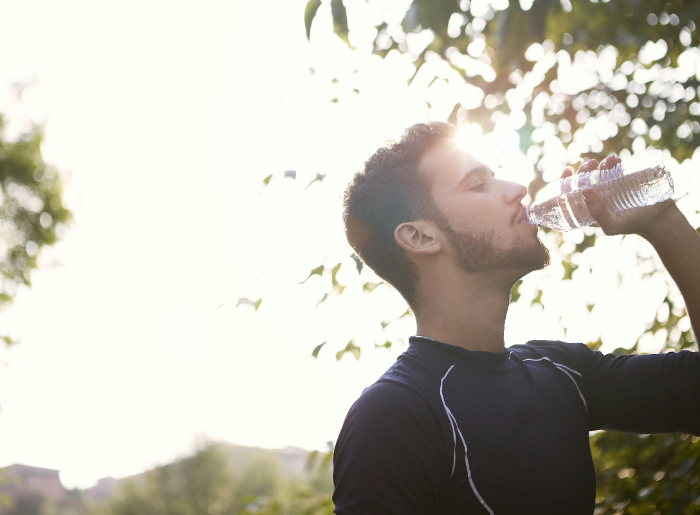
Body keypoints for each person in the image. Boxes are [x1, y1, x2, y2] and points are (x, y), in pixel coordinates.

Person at [332, 121, 700, 515]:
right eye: (478, 184)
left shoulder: (562, 371)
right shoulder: (394, 416)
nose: (518, 189)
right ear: (421, 237)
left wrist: (663, 221)